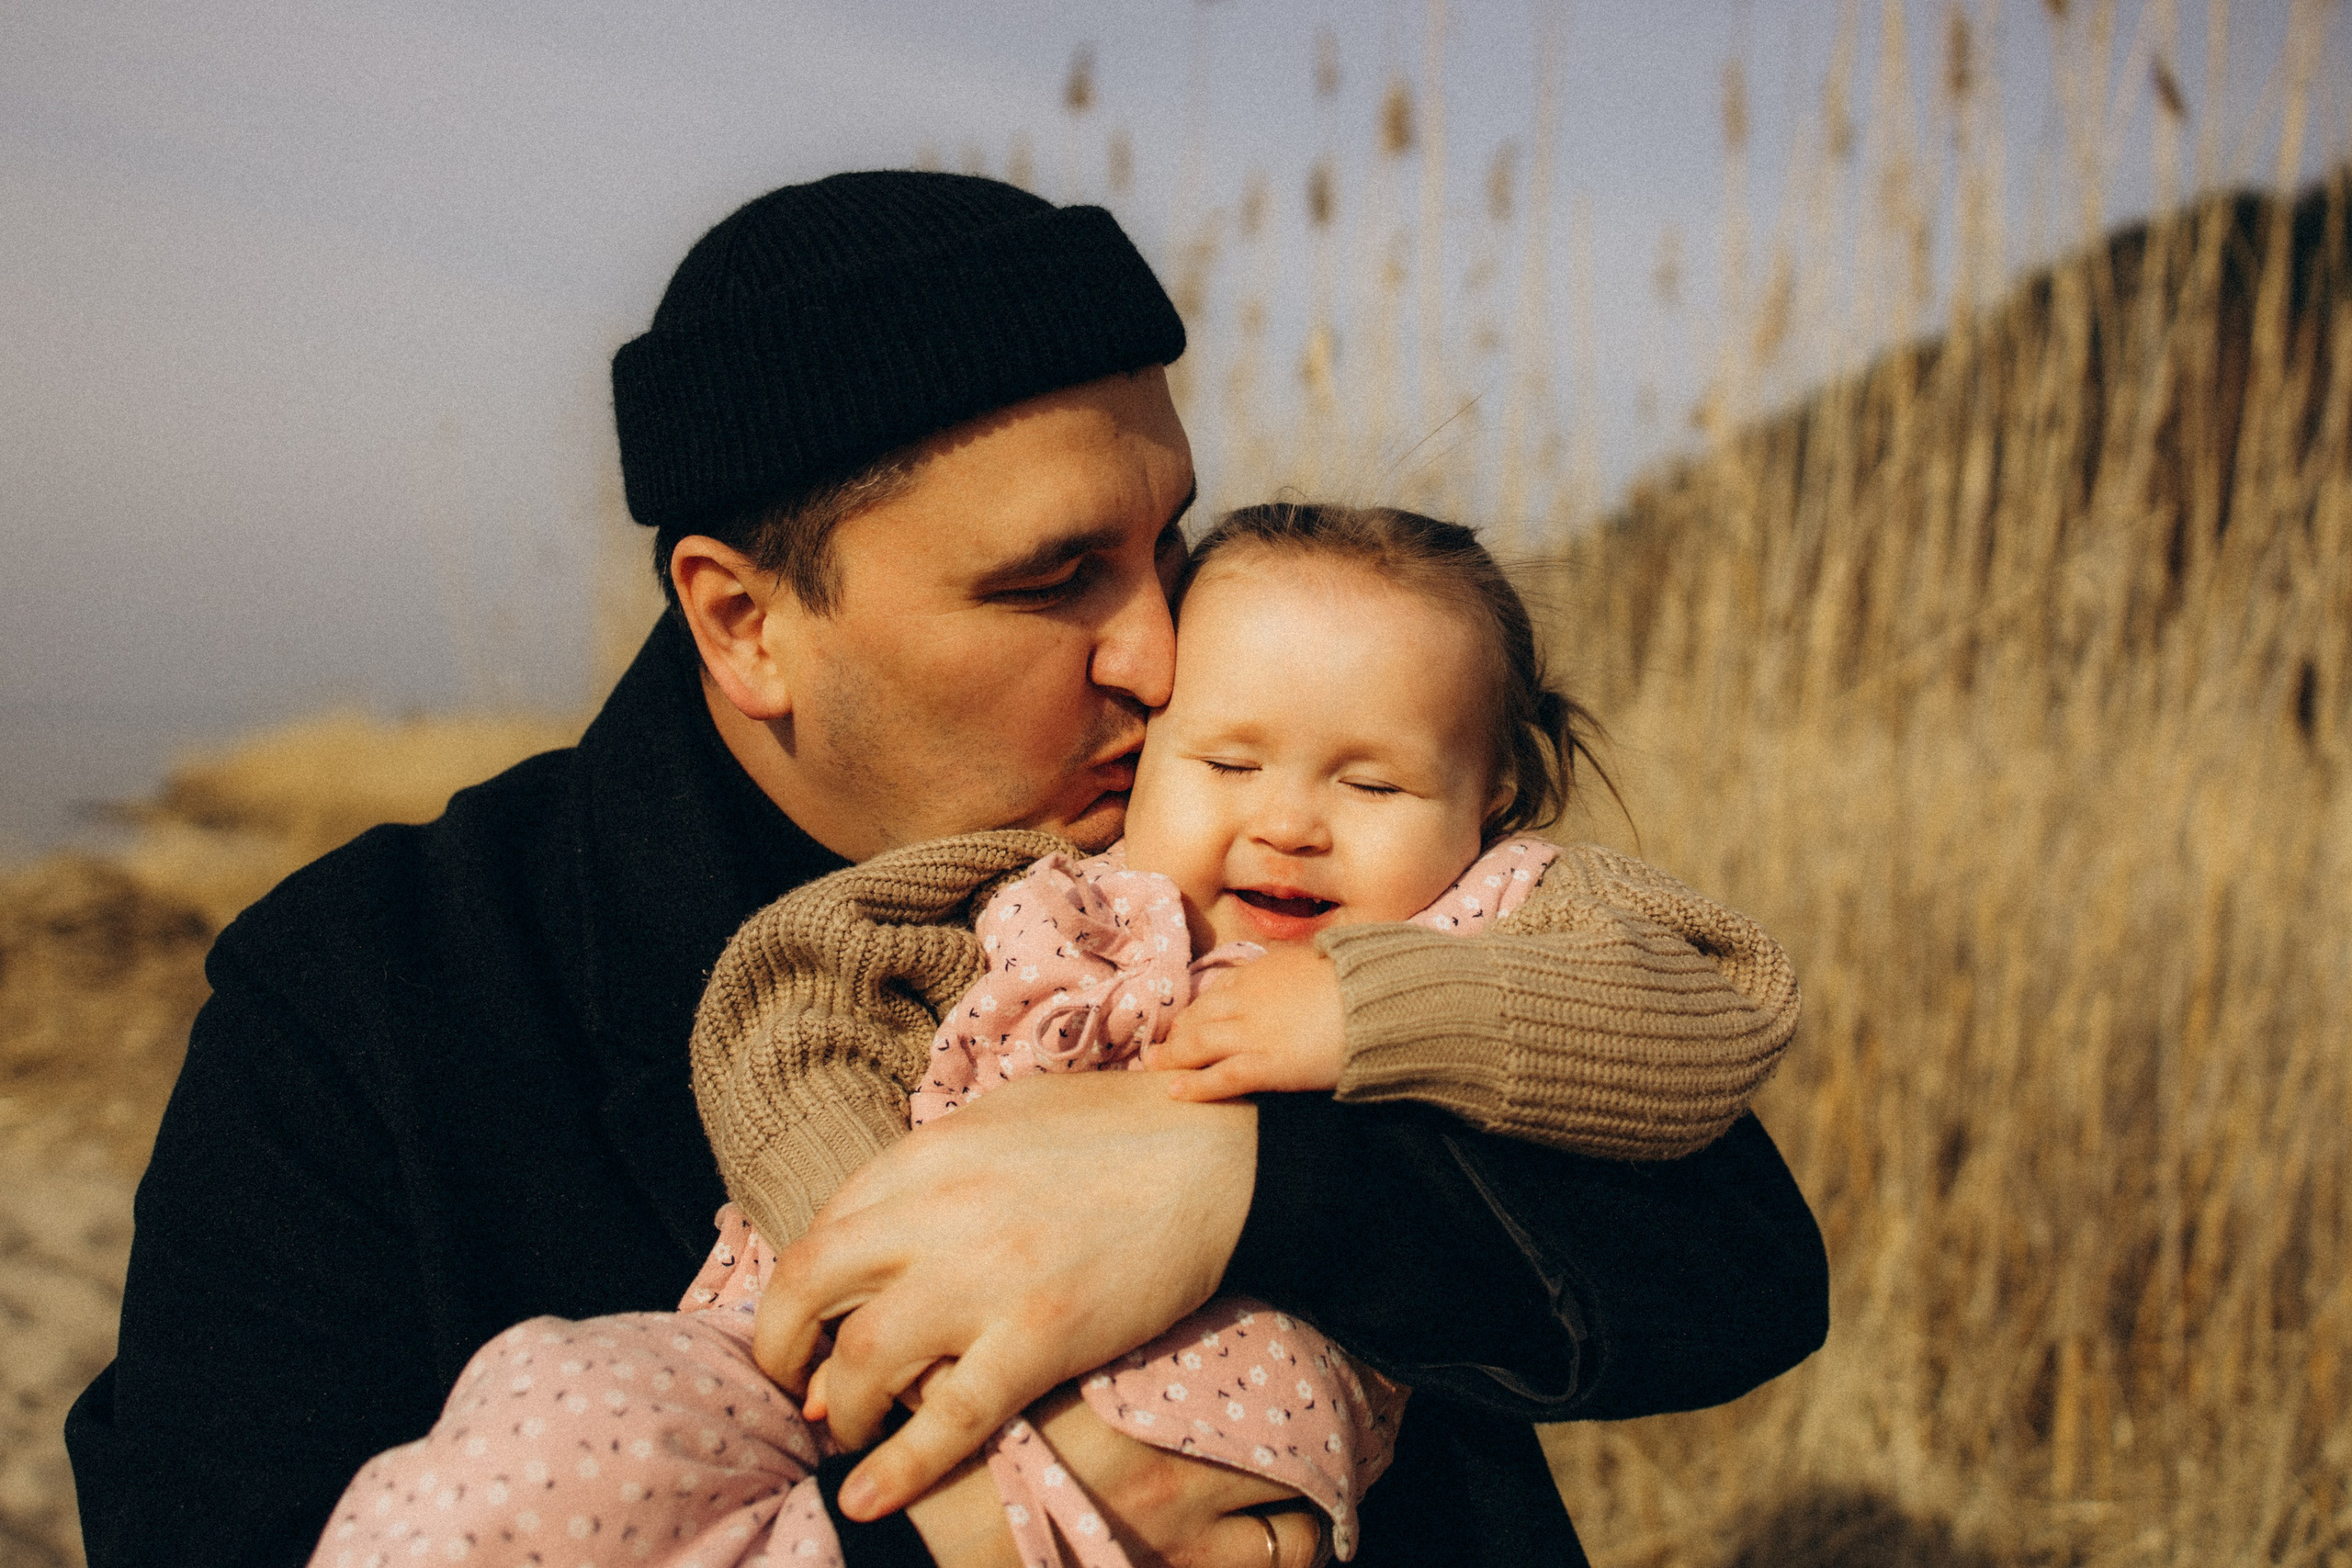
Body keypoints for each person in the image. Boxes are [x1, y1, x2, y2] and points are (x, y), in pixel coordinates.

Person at [68, 172, 1827, 1568]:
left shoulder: (1262, 852)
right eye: (1055, 576)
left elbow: (1735, 1266)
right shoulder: (369, 997)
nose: (1160, 652)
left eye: (1169, 540)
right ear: (745, 624)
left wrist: (1229, 1184)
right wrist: (908, 1536)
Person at [311, 502, 1794, 1568]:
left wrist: (1368, 1016)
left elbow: (1720, 1007)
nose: (1289, 819)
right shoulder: (1054, 881)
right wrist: (879, 1231)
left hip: (1183, 1431)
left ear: (1490, 805)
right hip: (801, 1351)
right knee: (557, 1413)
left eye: (1377, 786)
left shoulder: (1484, 923)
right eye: (1227, 758)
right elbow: (789, 991)